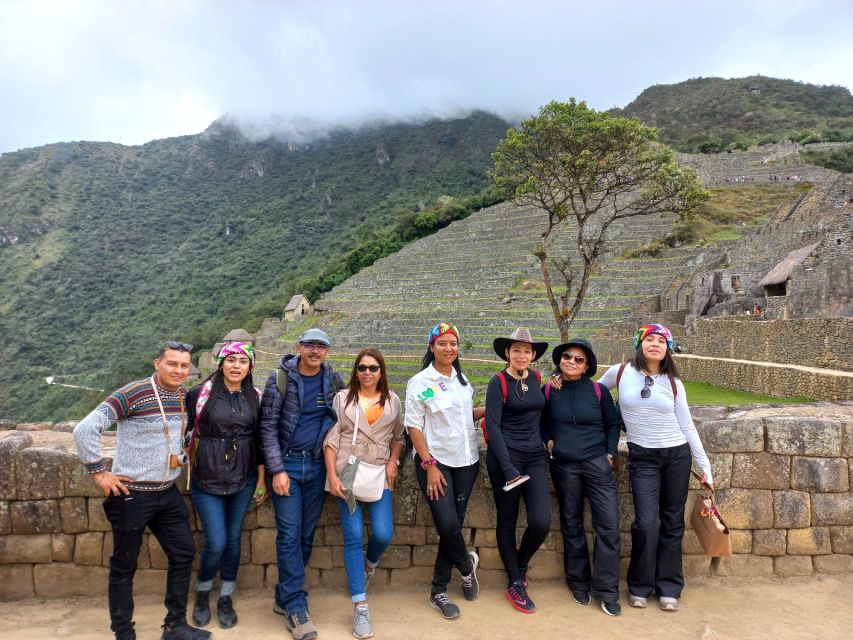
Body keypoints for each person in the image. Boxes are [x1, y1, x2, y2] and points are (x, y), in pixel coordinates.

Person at [73, 341, 210, 640]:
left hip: (167, 490)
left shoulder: (180, 395)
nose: (178, 370)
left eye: (184, 365)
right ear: (157, 364)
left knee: (184, 552)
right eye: (172, 364)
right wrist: (99, 473)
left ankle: (174, 626)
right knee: (124, 565)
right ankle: (124, 633)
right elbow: (84, 429)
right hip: (131, 493)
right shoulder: (132, 393)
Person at [598, 324, 714, 612]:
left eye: (661, 341)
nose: (654, 344)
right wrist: (559, 381)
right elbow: (592, 394)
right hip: (643, 457)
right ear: (639, 344)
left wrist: (705, 466)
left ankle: (669, 587)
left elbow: (687, 425)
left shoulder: (674, 382)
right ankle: (640, 584)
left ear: (668, 349)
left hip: (677, 455)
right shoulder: (621, 372)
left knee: (672, 522)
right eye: (648, 339)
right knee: (646, 523)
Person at [260, 328, 344, 640]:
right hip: (289, 466)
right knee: (289, 535)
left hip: (319, 466)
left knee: (306, 535)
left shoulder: (333, 380)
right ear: (299, 347)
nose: (315, 351)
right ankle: (297, 606)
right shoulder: (280, 378)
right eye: (309, 345)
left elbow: (347, 415)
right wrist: (277, 469)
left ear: (327, 351)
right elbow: (267, 427)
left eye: (321, 346)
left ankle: (284, 595)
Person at [404, 322, 485, 620]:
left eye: (453, 343)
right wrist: (429, 464)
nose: (448, 348)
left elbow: (465, 418)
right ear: (431, 347)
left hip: (467, 462)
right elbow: (413, 425)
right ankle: (467, 566)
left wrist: (489, 408)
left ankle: (438, 590)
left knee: (451, 529)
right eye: (442, 343)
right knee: (448, 525)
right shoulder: (420, 382)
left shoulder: (463, 382)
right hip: (435, 463)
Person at [324, 348, 405, 639]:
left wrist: (394, 461)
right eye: (362, 368)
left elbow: (399, 437)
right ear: (355, 371)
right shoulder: (342, 399)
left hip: (380, 472)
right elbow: (332, 439)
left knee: (383, 533)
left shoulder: (393, 400)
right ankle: (360, 604)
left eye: (373, 368)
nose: (367, 372)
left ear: (381, 371)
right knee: (353, 535)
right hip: (349, 471)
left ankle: (368, 567)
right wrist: (332, 474)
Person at [187, 342, 267, 630]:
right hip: (206, 478)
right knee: (217, 542)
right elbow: (184, 430)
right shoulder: (200, 394)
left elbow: (260, 441)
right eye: (230, 360)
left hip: (243, 478)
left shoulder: (256, 397)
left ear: (250, 367)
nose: (236, 366)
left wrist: (261, 479)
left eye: (242, 361)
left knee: (233, 542)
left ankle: (226, 598)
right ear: (220, 364)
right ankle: (203, 593)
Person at [542, 339, 622, 616]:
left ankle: (607, 588)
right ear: (560, 360)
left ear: (587, 366)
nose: (571, 362)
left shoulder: (598, 392)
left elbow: (612, 424)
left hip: (597, 464)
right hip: (565, 466)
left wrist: (610, 453)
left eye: (579, 359)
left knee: (609, 524)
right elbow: (540, 423)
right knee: (572, 524)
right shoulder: (549, 391)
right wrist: (549, 440)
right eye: (567, 357)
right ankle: (578, 581)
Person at [484, 328, 551, 614]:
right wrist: (509, 467)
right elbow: (494, 426)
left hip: (535, 456)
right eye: (516, 350)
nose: (522, 355)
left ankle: (520, 564)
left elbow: (542, 412)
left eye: (527, 351)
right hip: (505, 458)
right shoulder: (497, 382)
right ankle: (514, 581)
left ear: (533, 355)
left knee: (541, 521)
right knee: (508, 520)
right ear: (507, 354)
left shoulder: (536, 378)